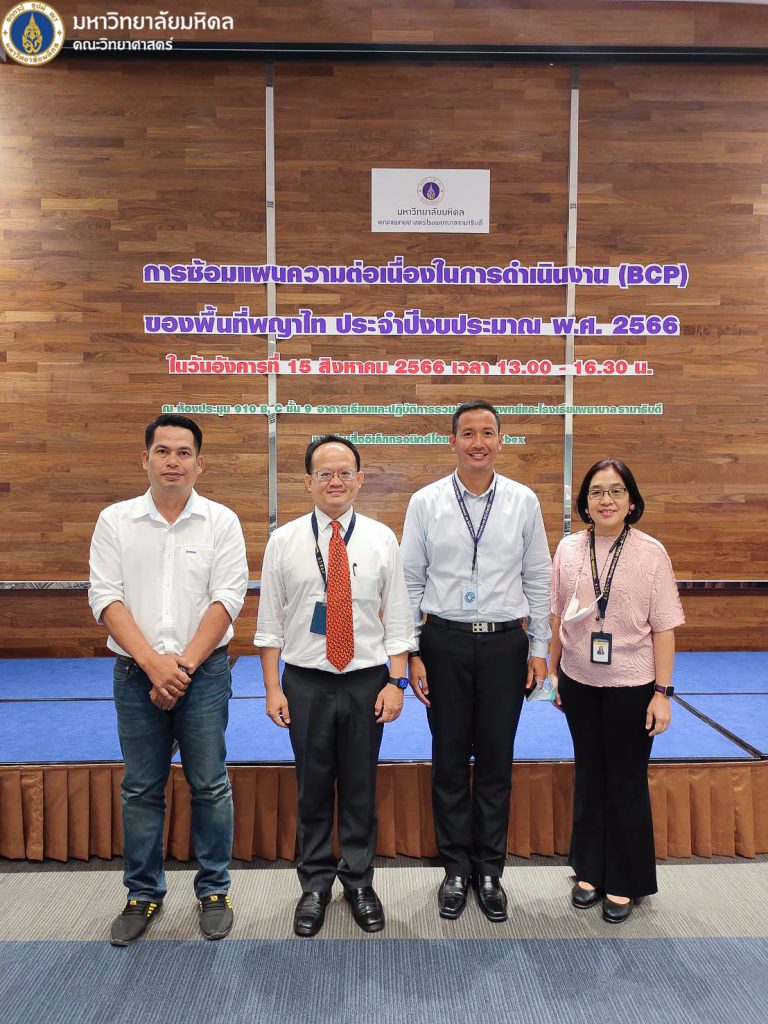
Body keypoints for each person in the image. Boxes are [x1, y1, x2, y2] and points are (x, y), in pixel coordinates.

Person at [88, 414, 248, 946]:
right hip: (135, 674)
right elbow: (104, 597)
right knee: (140, 788)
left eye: (184, 453)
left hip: (205, 674)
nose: (173, 461)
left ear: (200, 463)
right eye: (162, 451)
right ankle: (142, 893)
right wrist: (153, 664)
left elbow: (228, 598)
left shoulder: (221, 521)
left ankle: (215, 891)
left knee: (210, 784)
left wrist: (180, 667)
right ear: (145, 459)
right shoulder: (115, 520)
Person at [254, 435, 414, 937]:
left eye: (345, 472)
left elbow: (399, 619)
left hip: (367, 681)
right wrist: (273, 689)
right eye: (325, 473)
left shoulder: (382, 539)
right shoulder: (283, 541)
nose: (335, 481)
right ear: (308, 482)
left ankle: (359, 882)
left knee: (361, 787)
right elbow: (269, 624)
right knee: (313, 788)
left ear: (360, 480)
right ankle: (316, 884)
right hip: (305, 683)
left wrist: (396, 681)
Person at [400, 400, 552, 922]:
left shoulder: (523, 500)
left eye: (488, 432)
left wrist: (539, 649)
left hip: (505, 646)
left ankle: (489, 870)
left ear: (501, 440)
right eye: (468, 433)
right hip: (443, 642)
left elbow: (538, 577)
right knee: (447, 760)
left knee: (495, 761)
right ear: (453, 441)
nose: (478, 442)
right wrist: (413, 651)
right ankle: (455, 870)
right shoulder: (425, 501)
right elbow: (409, 580)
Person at [548, 458, 684, 923]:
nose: (606, 500)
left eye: (615, 491)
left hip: (632, 685)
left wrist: (662, 692)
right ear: (585, 502)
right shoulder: (569, 548)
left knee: (625, 781)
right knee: (589, 775)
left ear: (631, 501)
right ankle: (589, 870)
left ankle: (624, 879)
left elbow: (664, 628)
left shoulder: (651, 553)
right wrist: (553, 672)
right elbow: (557, 615)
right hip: (578, 682)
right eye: (596, 492)